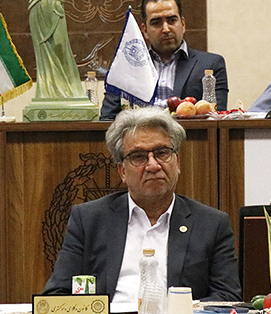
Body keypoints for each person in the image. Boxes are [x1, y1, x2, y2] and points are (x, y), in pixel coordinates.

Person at [43, 106, 241, 303]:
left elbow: (227, 298)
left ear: (177, 162)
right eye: (138, 156)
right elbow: (56, 295)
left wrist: (180, 313)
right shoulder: (89, 220)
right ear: (122, 171)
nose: (153, 165)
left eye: (162, 153)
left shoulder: (211, 224)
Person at [100, 0, 229, 121]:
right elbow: (107, 119)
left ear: (183, 24)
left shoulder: (210, 65)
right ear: (145, 30)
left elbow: (216, 118)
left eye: (172, 20)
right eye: (156, 23)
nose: (166, 29)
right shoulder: (128, 66)